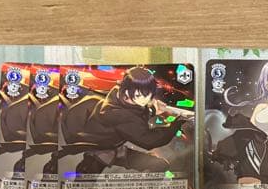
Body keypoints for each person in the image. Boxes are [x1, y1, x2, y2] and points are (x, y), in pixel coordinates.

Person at [60, 66, 191, 175]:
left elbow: (134, 113)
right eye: (139, 95)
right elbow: (149, 140)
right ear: (127, 92)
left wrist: (152, 110)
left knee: (159, 165)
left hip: (114, 147)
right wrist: (176, 125)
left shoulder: (119, 95)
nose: (145, 100)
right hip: (99, 151)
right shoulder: (119, 115)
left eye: (149, 94)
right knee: (85, 180)